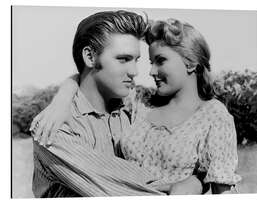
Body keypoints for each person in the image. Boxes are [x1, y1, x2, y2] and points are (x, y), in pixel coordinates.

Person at [30, 11, 203, 197]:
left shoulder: (133, 105)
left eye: (136, 60)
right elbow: (135, 191)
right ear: (90, 57)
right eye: (123, 59)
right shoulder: (53, 129)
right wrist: (193, 183)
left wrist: (195, 180)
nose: (135, 71)